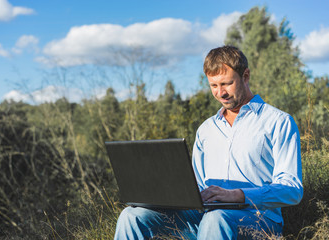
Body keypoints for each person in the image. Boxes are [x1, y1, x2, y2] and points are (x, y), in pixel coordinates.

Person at [114, 46, 303, 239]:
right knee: (132, 216)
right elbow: (198, 183)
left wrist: (239, 195)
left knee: (217, 218)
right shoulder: (206, 129)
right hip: (205, 216)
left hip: (259, 219)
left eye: (226, 83)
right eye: (214, 85)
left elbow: (292, 190)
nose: (220, 93)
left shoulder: (278, 122)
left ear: (245, 76)